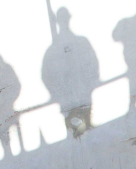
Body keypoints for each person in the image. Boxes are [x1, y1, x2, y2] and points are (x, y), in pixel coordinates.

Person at [41, 7, 100, 135]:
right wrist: (57, 93)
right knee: (75, 135)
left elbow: (93, 64)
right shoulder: (53, 51)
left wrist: (90, 84)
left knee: (88, 132)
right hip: (67, 102)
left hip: (84, 96)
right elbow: (46, 76)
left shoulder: (81, 42)